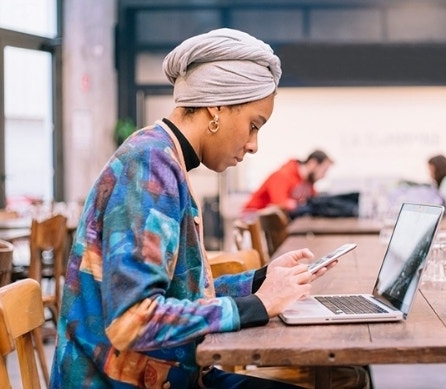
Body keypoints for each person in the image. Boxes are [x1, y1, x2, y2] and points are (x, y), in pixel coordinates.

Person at [49, 28, 338, 389]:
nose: (254, 145)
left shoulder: (162, 156)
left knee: (343, 376)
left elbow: (179, 293)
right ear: (216, 107)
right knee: (342, 379)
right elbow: (133, 320)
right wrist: (258, 305)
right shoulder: (150, 166)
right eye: (253, 125)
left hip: (166, 374)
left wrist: (260, 281)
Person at [243, 149, 334, 214]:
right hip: (253, 218)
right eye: (324, 170)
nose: (324, 176)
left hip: (273, 222)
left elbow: (314, 201)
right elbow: (279, 205)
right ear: (312, 164)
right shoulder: (283, 175)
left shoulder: (307, 182)